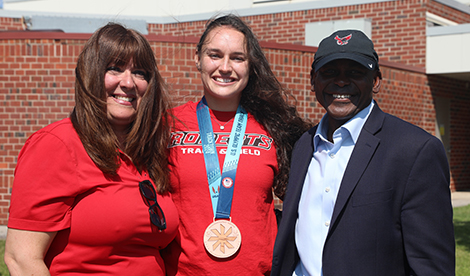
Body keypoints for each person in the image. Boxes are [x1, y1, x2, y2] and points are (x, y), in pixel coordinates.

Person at [271, 29, 455, 276]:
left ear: (376, 80)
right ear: (313, 80)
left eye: (356, 73)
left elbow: (431, 266)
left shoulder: (415, 150)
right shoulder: (303, 144)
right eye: (330, 72)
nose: (341, 82)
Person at [4, 23, 179, 275]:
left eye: (139, 73)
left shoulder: (147, 152)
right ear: (91, 74)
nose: (128, 82)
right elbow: (21, 258)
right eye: (115, 69)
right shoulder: (58, 144)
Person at [162, 14, 308, 275]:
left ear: (250, 66)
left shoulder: (274, 129)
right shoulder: (167, 125)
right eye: (215, 55)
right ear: (197, 59)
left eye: (237, 58)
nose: (225, 67)